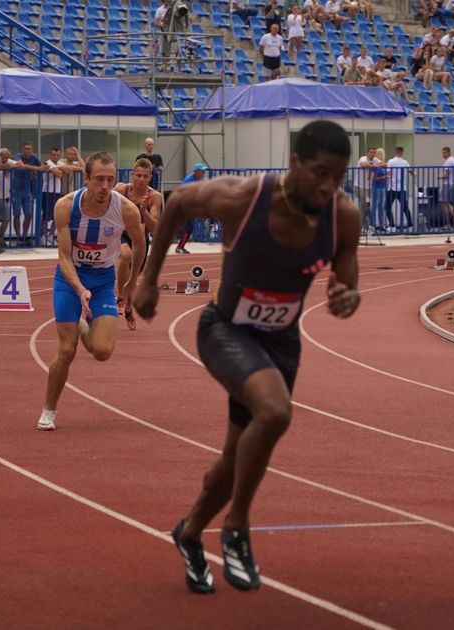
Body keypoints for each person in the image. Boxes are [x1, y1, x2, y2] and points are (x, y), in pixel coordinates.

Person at [132, 120, 361, 595]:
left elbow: (347, 277)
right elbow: (176, 204)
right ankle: (236, 528)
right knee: (275, 412)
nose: (328, 186)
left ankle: (191, 530)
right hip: (227, 330)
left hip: (282, 343)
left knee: (235, 458)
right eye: (320, 173)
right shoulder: (245, 198)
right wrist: (148, 278)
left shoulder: (344, 216)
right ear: (294, 163)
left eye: (338, 177)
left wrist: (346, 295)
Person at [36, 151, 147, 432]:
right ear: (86, 178)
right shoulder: (65, 207)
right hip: (69, 279)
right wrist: (79, 288)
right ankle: (49, 410)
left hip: (101, 281)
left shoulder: (126, 209)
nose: (105, 186)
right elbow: (63, 256)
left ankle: (85, 328)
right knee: (66, 350)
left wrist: (132, 281)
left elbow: (140, 242)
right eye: (98, 179)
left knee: (102, 351)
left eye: (110, 179)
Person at [113, 158, 162, 331]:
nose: (141, 179)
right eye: (138, 175)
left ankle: (128, 308)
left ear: (150, 178)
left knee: (133, 280)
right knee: (124, 256)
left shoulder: (154, 197)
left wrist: (143, 211)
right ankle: (119, 297)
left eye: (145, 176)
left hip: (141, 239)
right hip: (122, 234)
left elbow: (155, 226)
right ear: (132, 175)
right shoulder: (121, 190)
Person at [176, 163, 208, 253]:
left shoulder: (200, 179)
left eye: (203, 171)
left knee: (189, 227)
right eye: (202, 171)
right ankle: (179, 246)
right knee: (188, 227)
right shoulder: (189, 180)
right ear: (196, 171)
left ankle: (180, 246)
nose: (203, 172)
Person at [385, 146, 412, 230]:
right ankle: (410, 224)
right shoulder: (405, 162)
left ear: (395, 152)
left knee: (387, 206)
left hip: (391, 188)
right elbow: (410, 170)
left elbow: (388, 173)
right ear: (402, 152)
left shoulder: (391, 161)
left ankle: (392, 225)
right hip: (402, 188)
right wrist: (414, 174)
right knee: (405, 207)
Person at [439, 146, 454, 230]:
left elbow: (446, 175)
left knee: (443, 203)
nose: (443, 154)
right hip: (452, 183)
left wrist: (439, 177)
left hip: (447, 184)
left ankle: (448, 224)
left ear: (448, 152)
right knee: (446, 203)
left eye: (444, 153)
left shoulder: (448, 161)